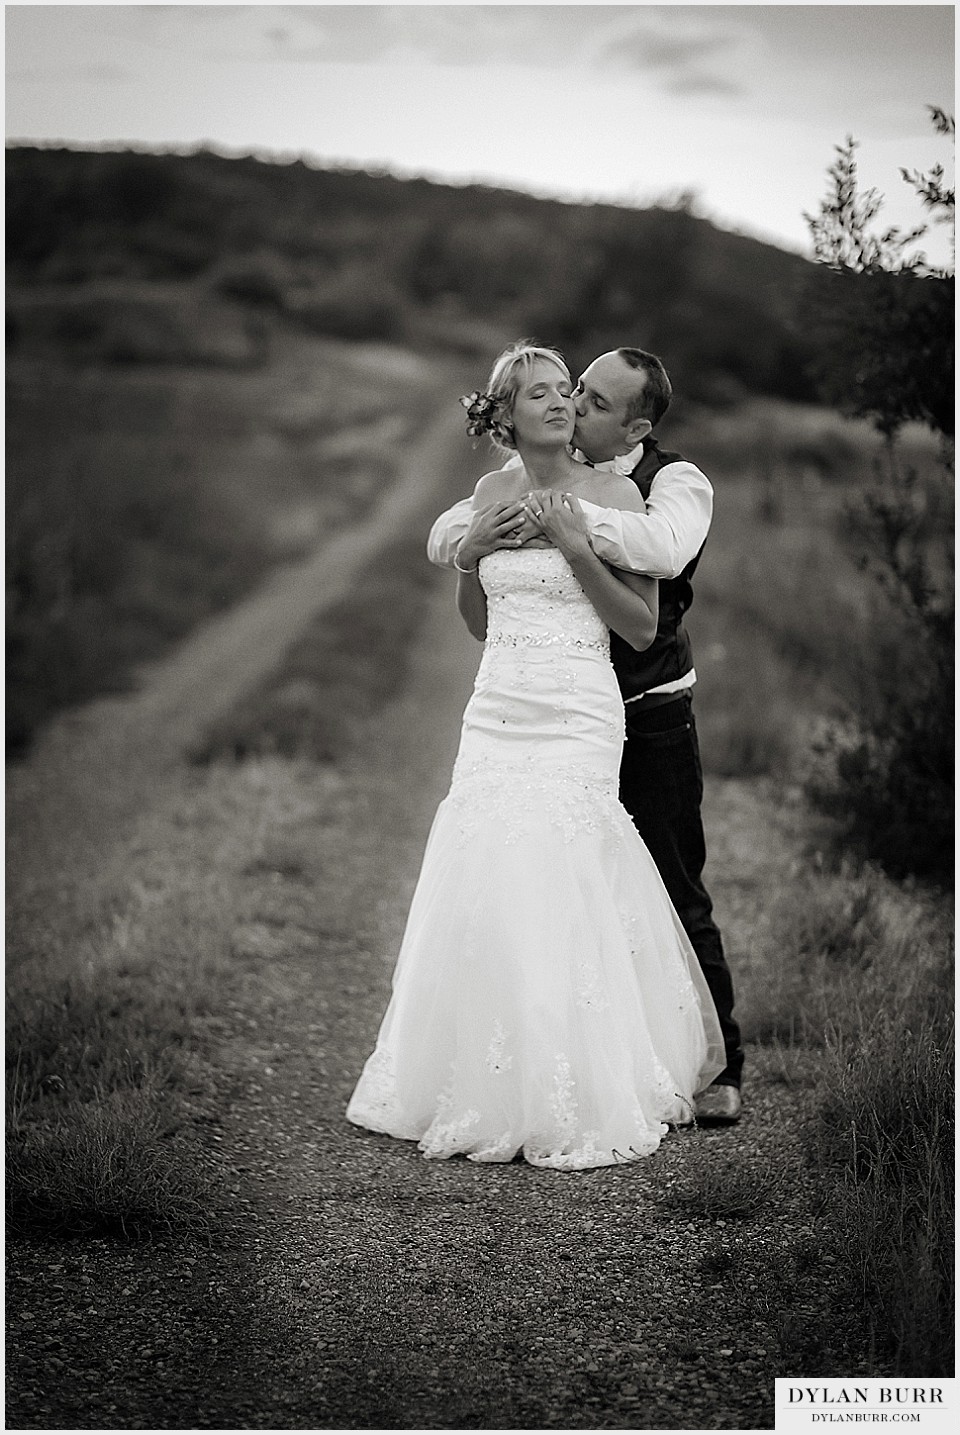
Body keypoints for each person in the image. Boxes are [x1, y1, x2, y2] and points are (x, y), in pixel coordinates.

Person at [347, 341, 724, 1170]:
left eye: (568, 392)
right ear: (506, 414)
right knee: (490, 868)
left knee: (563, 862)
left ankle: (574, 1076)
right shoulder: (487, 492)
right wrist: (474, 552)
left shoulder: (617, 493)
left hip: (581, 706)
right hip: (498, 703)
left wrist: (579, 546)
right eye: (543, 394)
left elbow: (638, 626)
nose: (561, 403)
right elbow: (477, 621)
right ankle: (486, 1073)